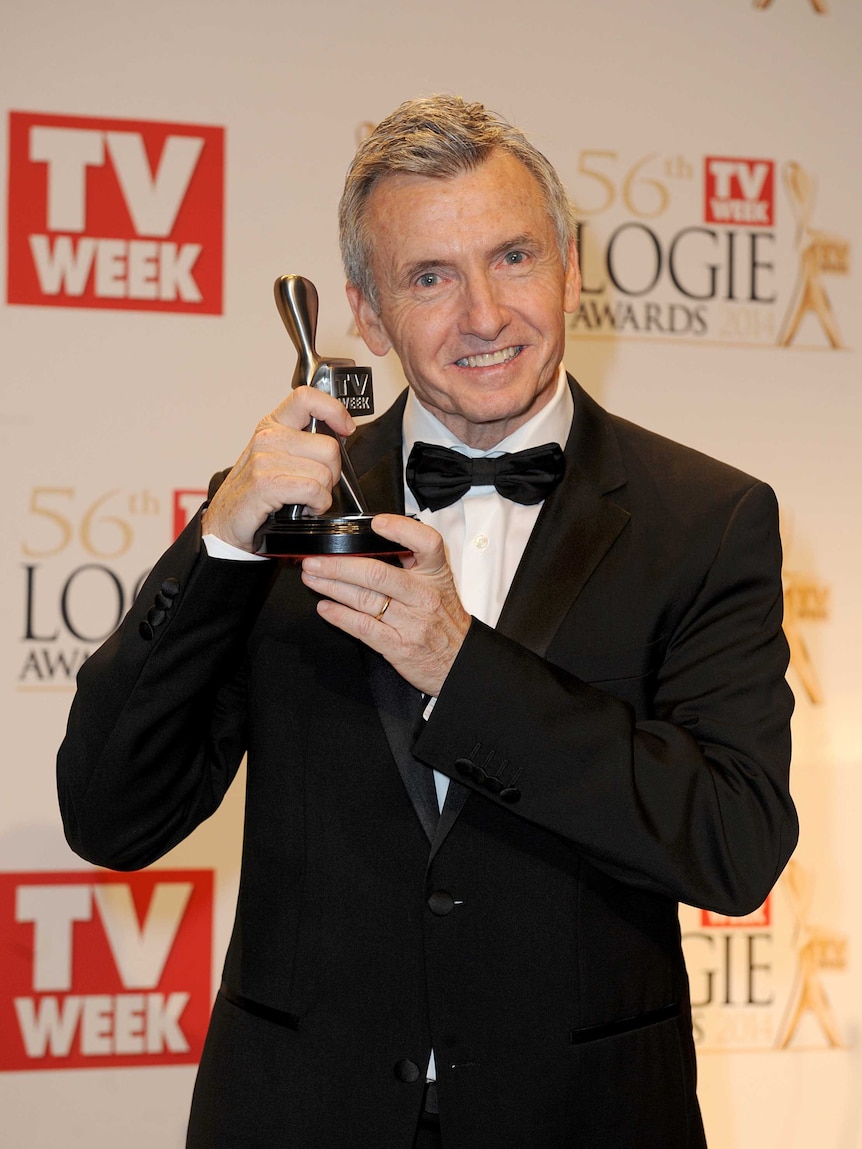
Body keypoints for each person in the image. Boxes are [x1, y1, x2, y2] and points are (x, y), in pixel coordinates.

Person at [57, 95, 797, 1149]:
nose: (485, 315)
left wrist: (462, 667)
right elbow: (109, 814)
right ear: (366, 313)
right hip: (297, 1116)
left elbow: (735, 843)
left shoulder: (706, 520)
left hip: (583, 1118)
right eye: (431, 278)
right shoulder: (276, 509)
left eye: (513, 257)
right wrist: (218, 543)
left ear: (571, 269)